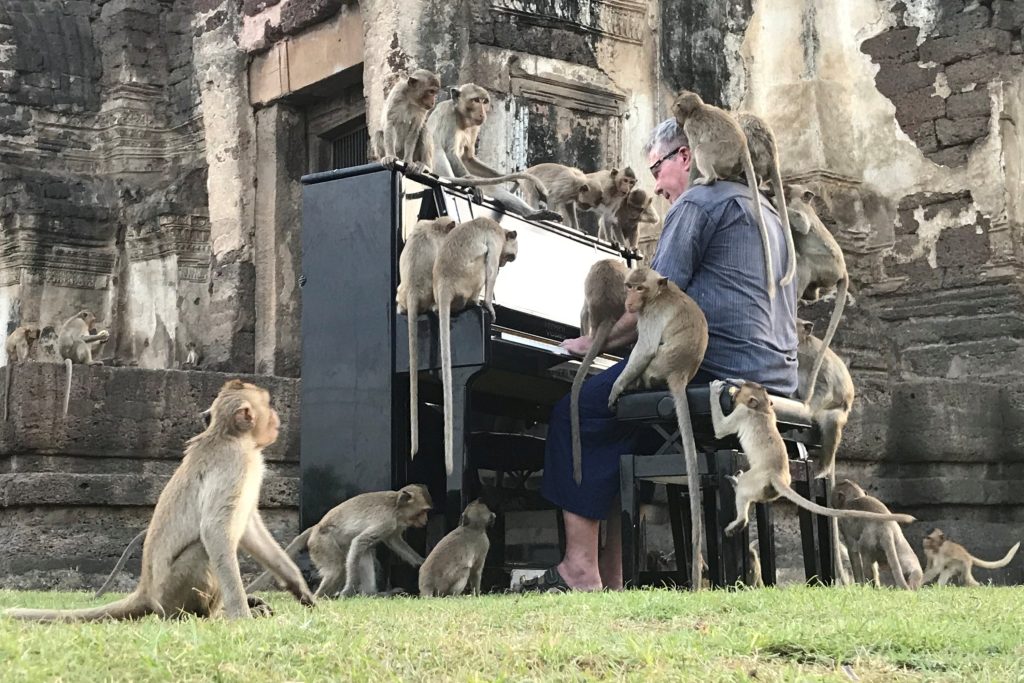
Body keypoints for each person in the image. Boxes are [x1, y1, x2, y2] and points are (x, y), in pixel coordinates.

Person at [519, 118, 798, 592]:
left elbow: (651, 299)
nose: (655, 186)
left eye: (657, 168)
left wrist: (593, 342)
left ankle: (578, 570)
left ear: (685, 157)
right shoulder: (770, 212)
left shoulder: (699, 202)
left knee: (577, 409)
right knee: (625, 424)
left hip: (713, 368)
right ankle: (615, 572)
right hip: (775, 376)